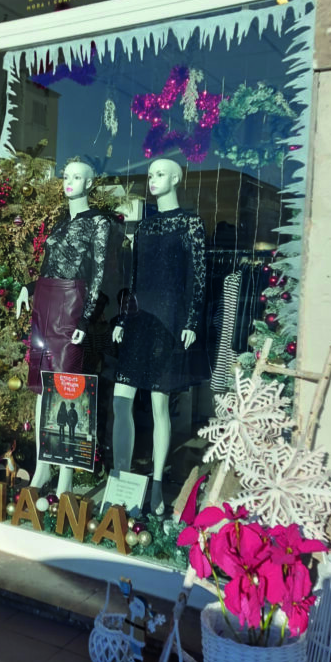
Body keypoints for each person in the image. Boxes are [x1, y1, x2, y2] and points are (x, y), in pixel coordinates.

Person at [112, 157, 205, 515]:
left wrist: (192, 322)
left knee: (158, 405)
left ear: (176, 179)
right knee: (121, 400)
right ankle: (120, 479)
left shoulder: (190, 223)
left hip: (169, 321)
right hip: (139, 321)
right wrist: (123, 319)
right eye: (150, 174)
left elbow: (197, 277)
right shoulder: (145, 227)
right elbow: (133, 278)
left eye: (160, 174)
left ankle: (156, 485)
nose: (152, 179)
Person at [16, 159, 110, 495]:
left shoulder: (98, 222)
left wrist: (85, 318)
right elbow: (48, 266)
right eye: (66, 176)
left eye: (77, 177)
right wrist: (28, 287)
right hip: (45, 301)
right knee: (42, 387)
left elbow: (98, 273)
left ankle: (66, 474)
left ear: (89, 183)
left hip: (72, 303)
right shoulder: (59, 222)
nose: (69, 182)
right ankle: (42, 467)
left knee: (67, 386)